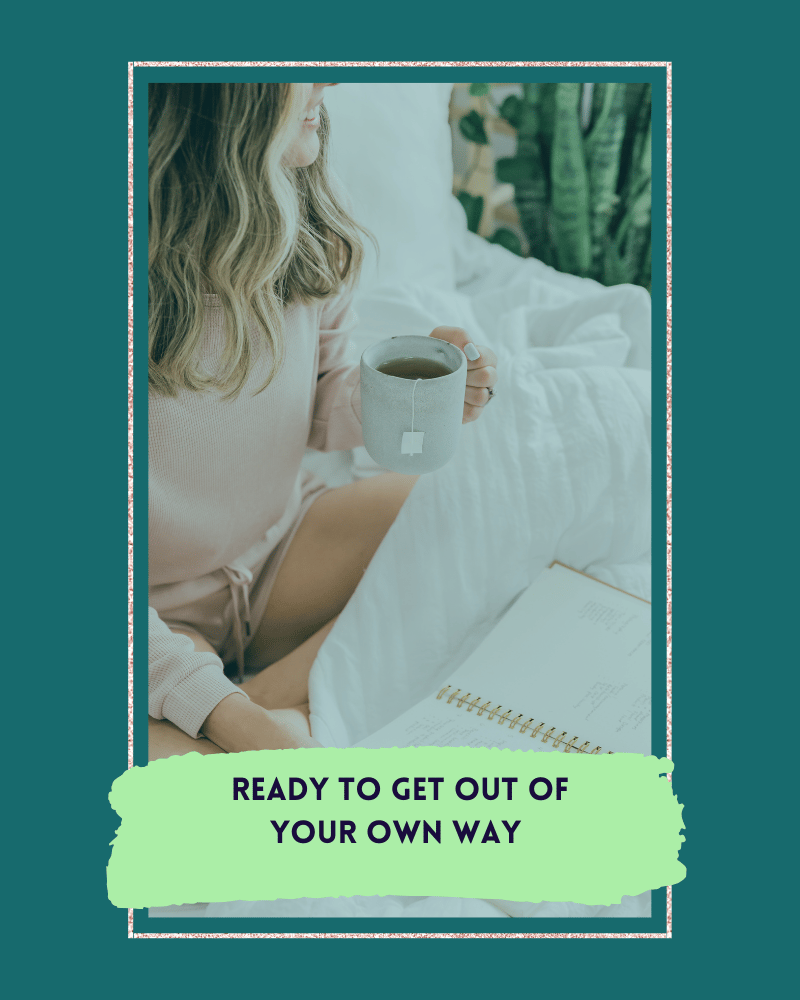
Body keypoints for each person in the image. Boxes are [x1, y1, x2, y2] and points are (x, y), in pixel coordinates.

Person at [147, 82, 499, 758]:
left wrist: (406, 402)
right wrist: (226, 716)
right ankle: (260, 706)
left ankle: (278, 696)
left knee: (480, 503)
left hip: (282, 550)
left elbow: (321, 401)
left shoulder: (300, 209)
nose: (331, 77)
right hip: (152, 617)